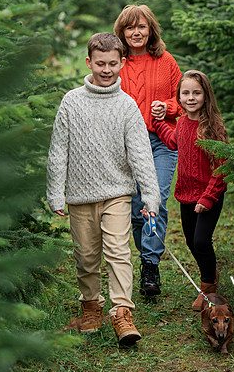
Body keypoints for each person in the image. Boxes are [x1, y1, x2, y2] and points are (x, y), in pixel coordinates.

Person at [46, 32, 161, 346]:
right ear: (89, 62)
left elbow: (140, 153)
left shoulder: (126, 106)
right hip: (80, 195)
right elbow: (59, 150)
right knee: (86, 256)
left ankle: (122, 311)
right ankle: (91, 303)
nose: (107, 69)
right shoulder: (71, 102)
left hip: (117, 193)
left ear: (122, 63)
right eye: (100, 63)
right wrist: (56, 192)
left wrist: (150, 194)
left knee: (118, 253)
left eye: (113, 63)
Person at [113, 4, 183, 298]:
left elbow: (184, 100)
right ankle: (146, 255)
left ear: (151, 29)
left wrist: (166, 106)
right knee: (135, 207)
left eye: (142, 26)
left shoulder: (166, 61)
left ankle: (150, 265)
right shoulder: (117, 63)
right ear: (122, 32)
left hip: (160, 142)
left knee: (157, 200)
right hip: (126, 144)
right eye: (130, 27)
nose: (136, 32)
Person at [152, 70, 228, 311]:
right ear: (179, 97)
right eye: (185, 93)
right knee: (190, 242)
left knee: (201, 241)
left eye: (197, 92)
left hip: (209, 196)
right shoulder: (183, 122)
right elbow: (174, 140)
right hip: (186, 195)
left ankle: (208, 290)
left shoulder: (213, 127)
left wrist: (207, 198)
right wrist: (157, 123)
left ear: (206, 96)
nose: (191, 97)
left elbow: (222, 167)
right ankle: (210, 271)